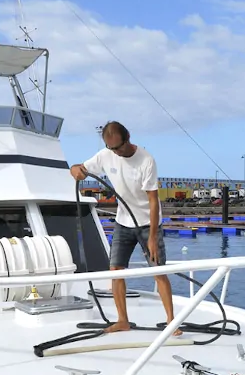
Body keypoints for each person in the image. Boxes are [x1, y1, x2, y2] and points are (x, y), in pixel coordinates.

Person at [70, 121, 182, 335]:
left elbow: (152, 200)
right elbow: (79, 168)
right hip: (123, 221)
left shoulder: (146, 161)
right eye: (111, 148)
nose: (116, 153)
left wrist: (153, 236)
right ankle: (123, 320)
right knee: (116, 271)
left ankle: (171, 322)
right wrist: (75, 170)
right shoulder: (105, 154)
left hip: (148, 222)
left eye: (118, 148)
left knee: (158, 271)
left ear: (127, 138)